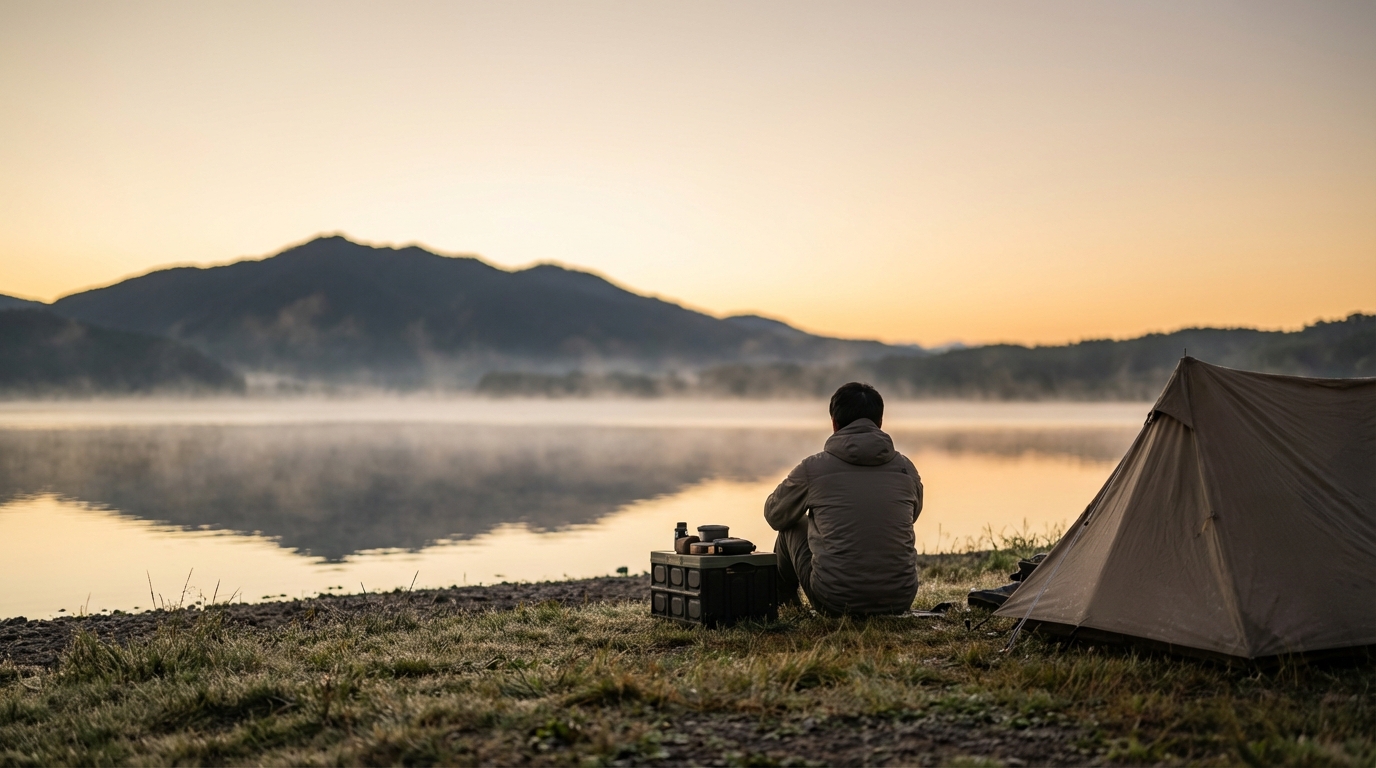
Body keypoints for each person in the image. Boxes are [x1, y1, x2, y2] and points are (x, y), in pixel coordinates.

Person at [764, 382, 923, 615]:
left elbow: (775, 515)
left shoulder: (813, 468)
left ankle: (786, 604)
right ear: (879, 423)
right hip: (899, 599)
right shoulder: (906, 468)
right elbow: (912, 516)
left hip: (835, 602)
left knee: (792, 525)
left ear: (834, 424)